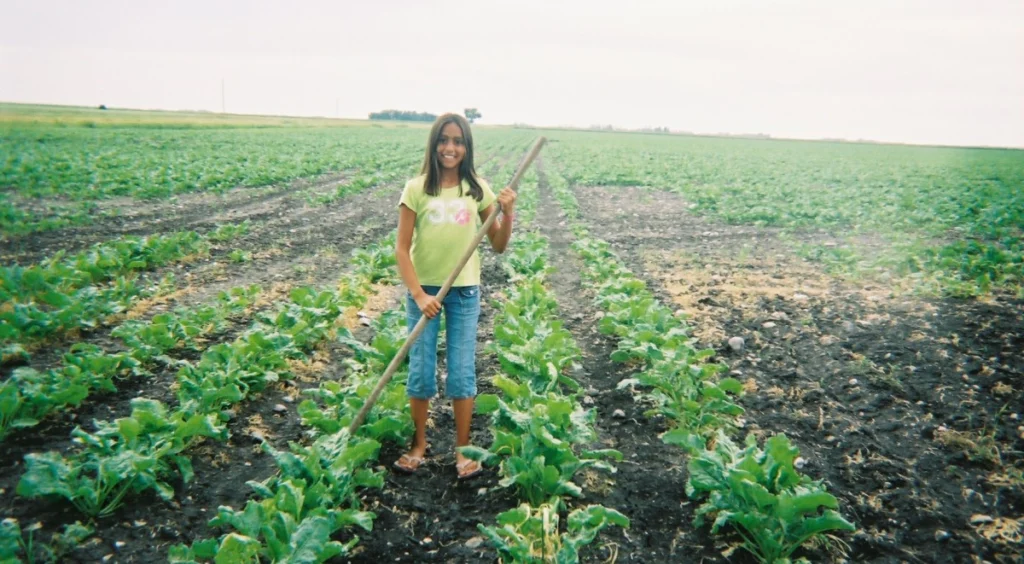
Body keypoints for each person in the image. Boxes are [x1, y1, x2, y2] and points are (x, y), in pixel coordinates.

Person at [393, 113, 516, 479]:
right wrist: (417, 294)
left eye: (458, 141)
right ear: (434, 144)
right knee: (421, 370)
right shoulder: (416, 189)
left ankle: (463, 451)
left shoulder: (478, 189)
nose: (450, 148)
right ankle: (419, 445)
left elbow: (497, 245)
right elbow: (401, 250)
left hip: (463, 292)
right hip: (424, 293)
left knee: (462, 372)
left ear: (467, 147)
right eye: (444, 140)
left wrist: (507, 214)